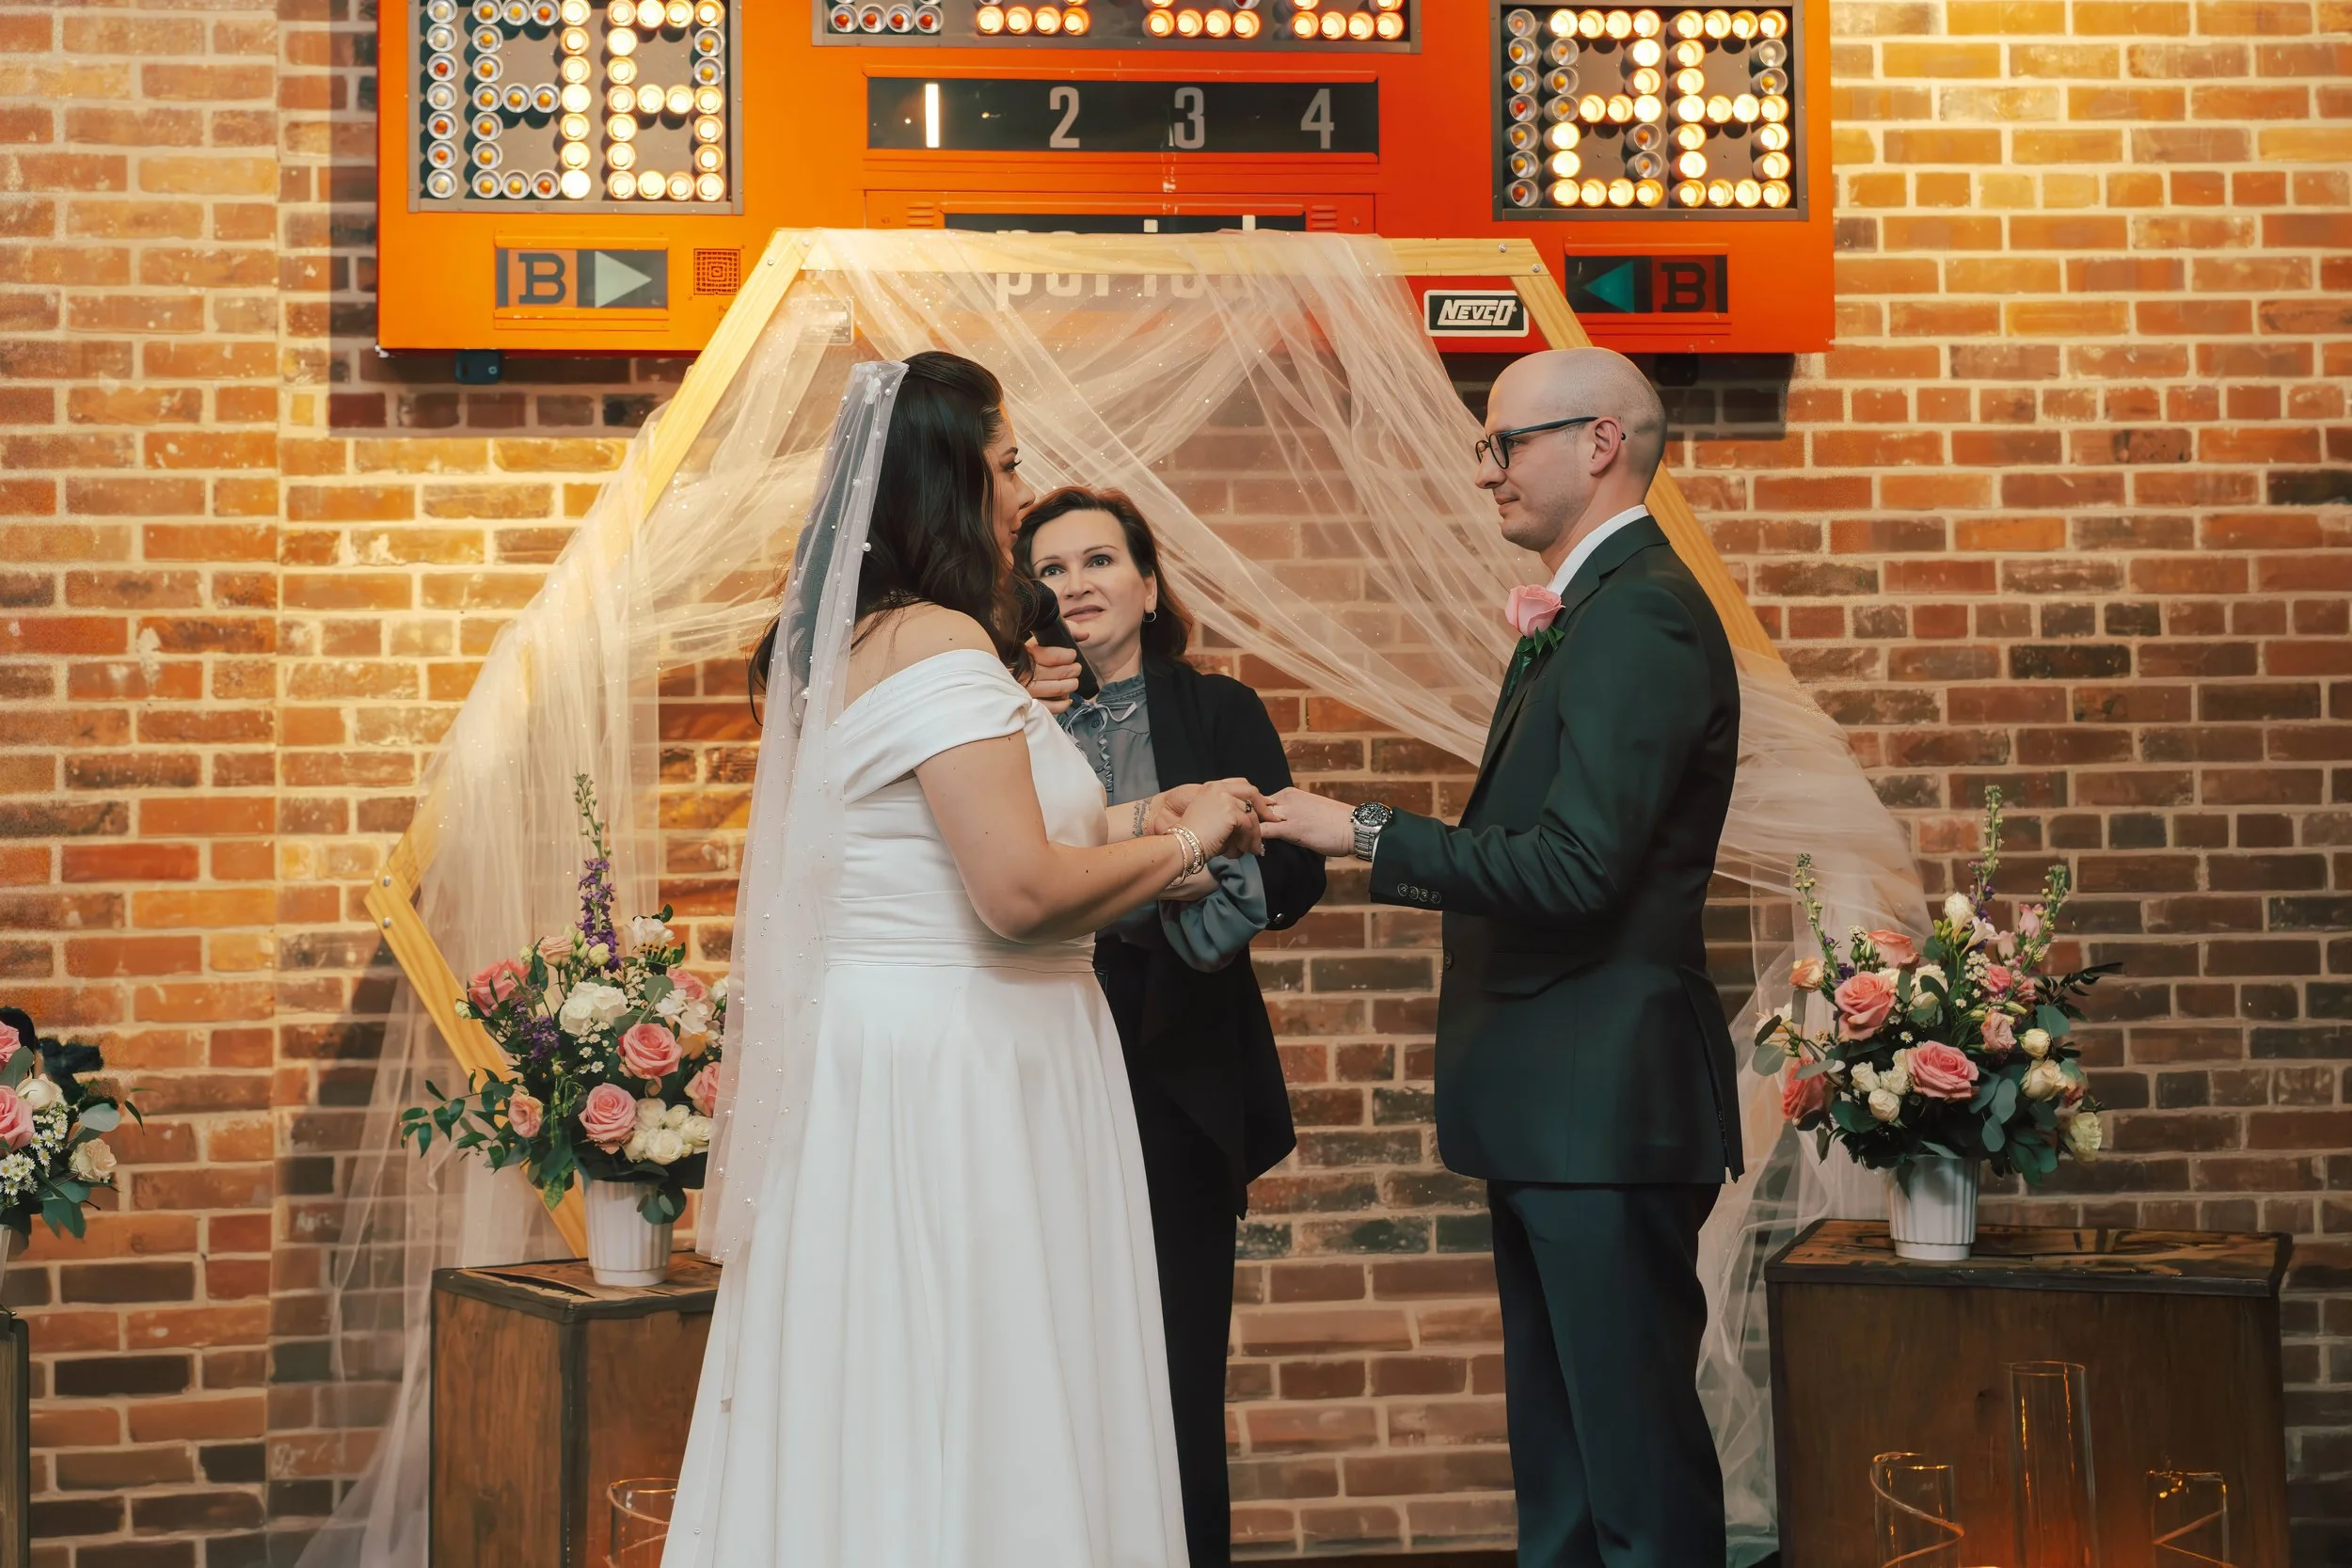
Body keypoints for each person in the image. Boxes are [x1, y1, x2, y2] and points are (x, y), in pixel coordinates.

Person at [664, 353, 1269, 1568]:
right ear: (946, 482)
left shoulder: (851, 642)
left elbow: (992, 837)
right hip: (972, 1070)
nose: (1018, 493)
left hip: (900, 1055)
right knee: (991, 1368)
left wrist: (1143, 815)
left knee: (899, 1376)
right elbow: (1017, 890)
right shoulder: (939, 642)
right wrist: (1189, 839)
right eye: (1002, 466)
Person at [1259, 347, 1742, 1568]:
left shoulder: (1641, 611)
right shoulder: (1591, 610)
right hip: (1556, 1106)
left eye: (1506, 441)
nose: (1487, 471)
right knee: (1568, 1488)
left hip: (1602, 1104)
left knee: (1633, 1482)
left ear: (1598, 444)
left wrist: (1364, 830)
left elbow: (1581, 870)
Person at [1015, 487, 1327, 1568]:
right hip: (1038, 1049)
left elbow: (1292, 868)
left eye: (1100, 560)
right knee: (1049, 1358)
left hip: (1174, 1059)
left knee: (1177, 1361)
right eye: (1051, 569)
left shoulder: (1220, 706)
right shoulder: (1003, 719)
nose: (1077, 585)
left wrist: (1210, 869)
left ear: (1148, 585)